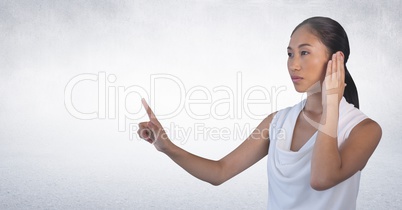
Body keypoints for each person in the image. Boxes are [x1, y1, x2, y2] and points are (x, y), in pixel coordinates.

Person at [137, 16, 382, 209]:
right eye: (289, 54)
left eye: (304, 52)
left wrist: (331, 105)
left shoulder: (364, 130)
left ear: (336, 59)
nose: (293, 64)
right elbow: (220, 172)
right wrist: (167, 146)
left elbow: (321, 179)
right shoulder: (277, 121)